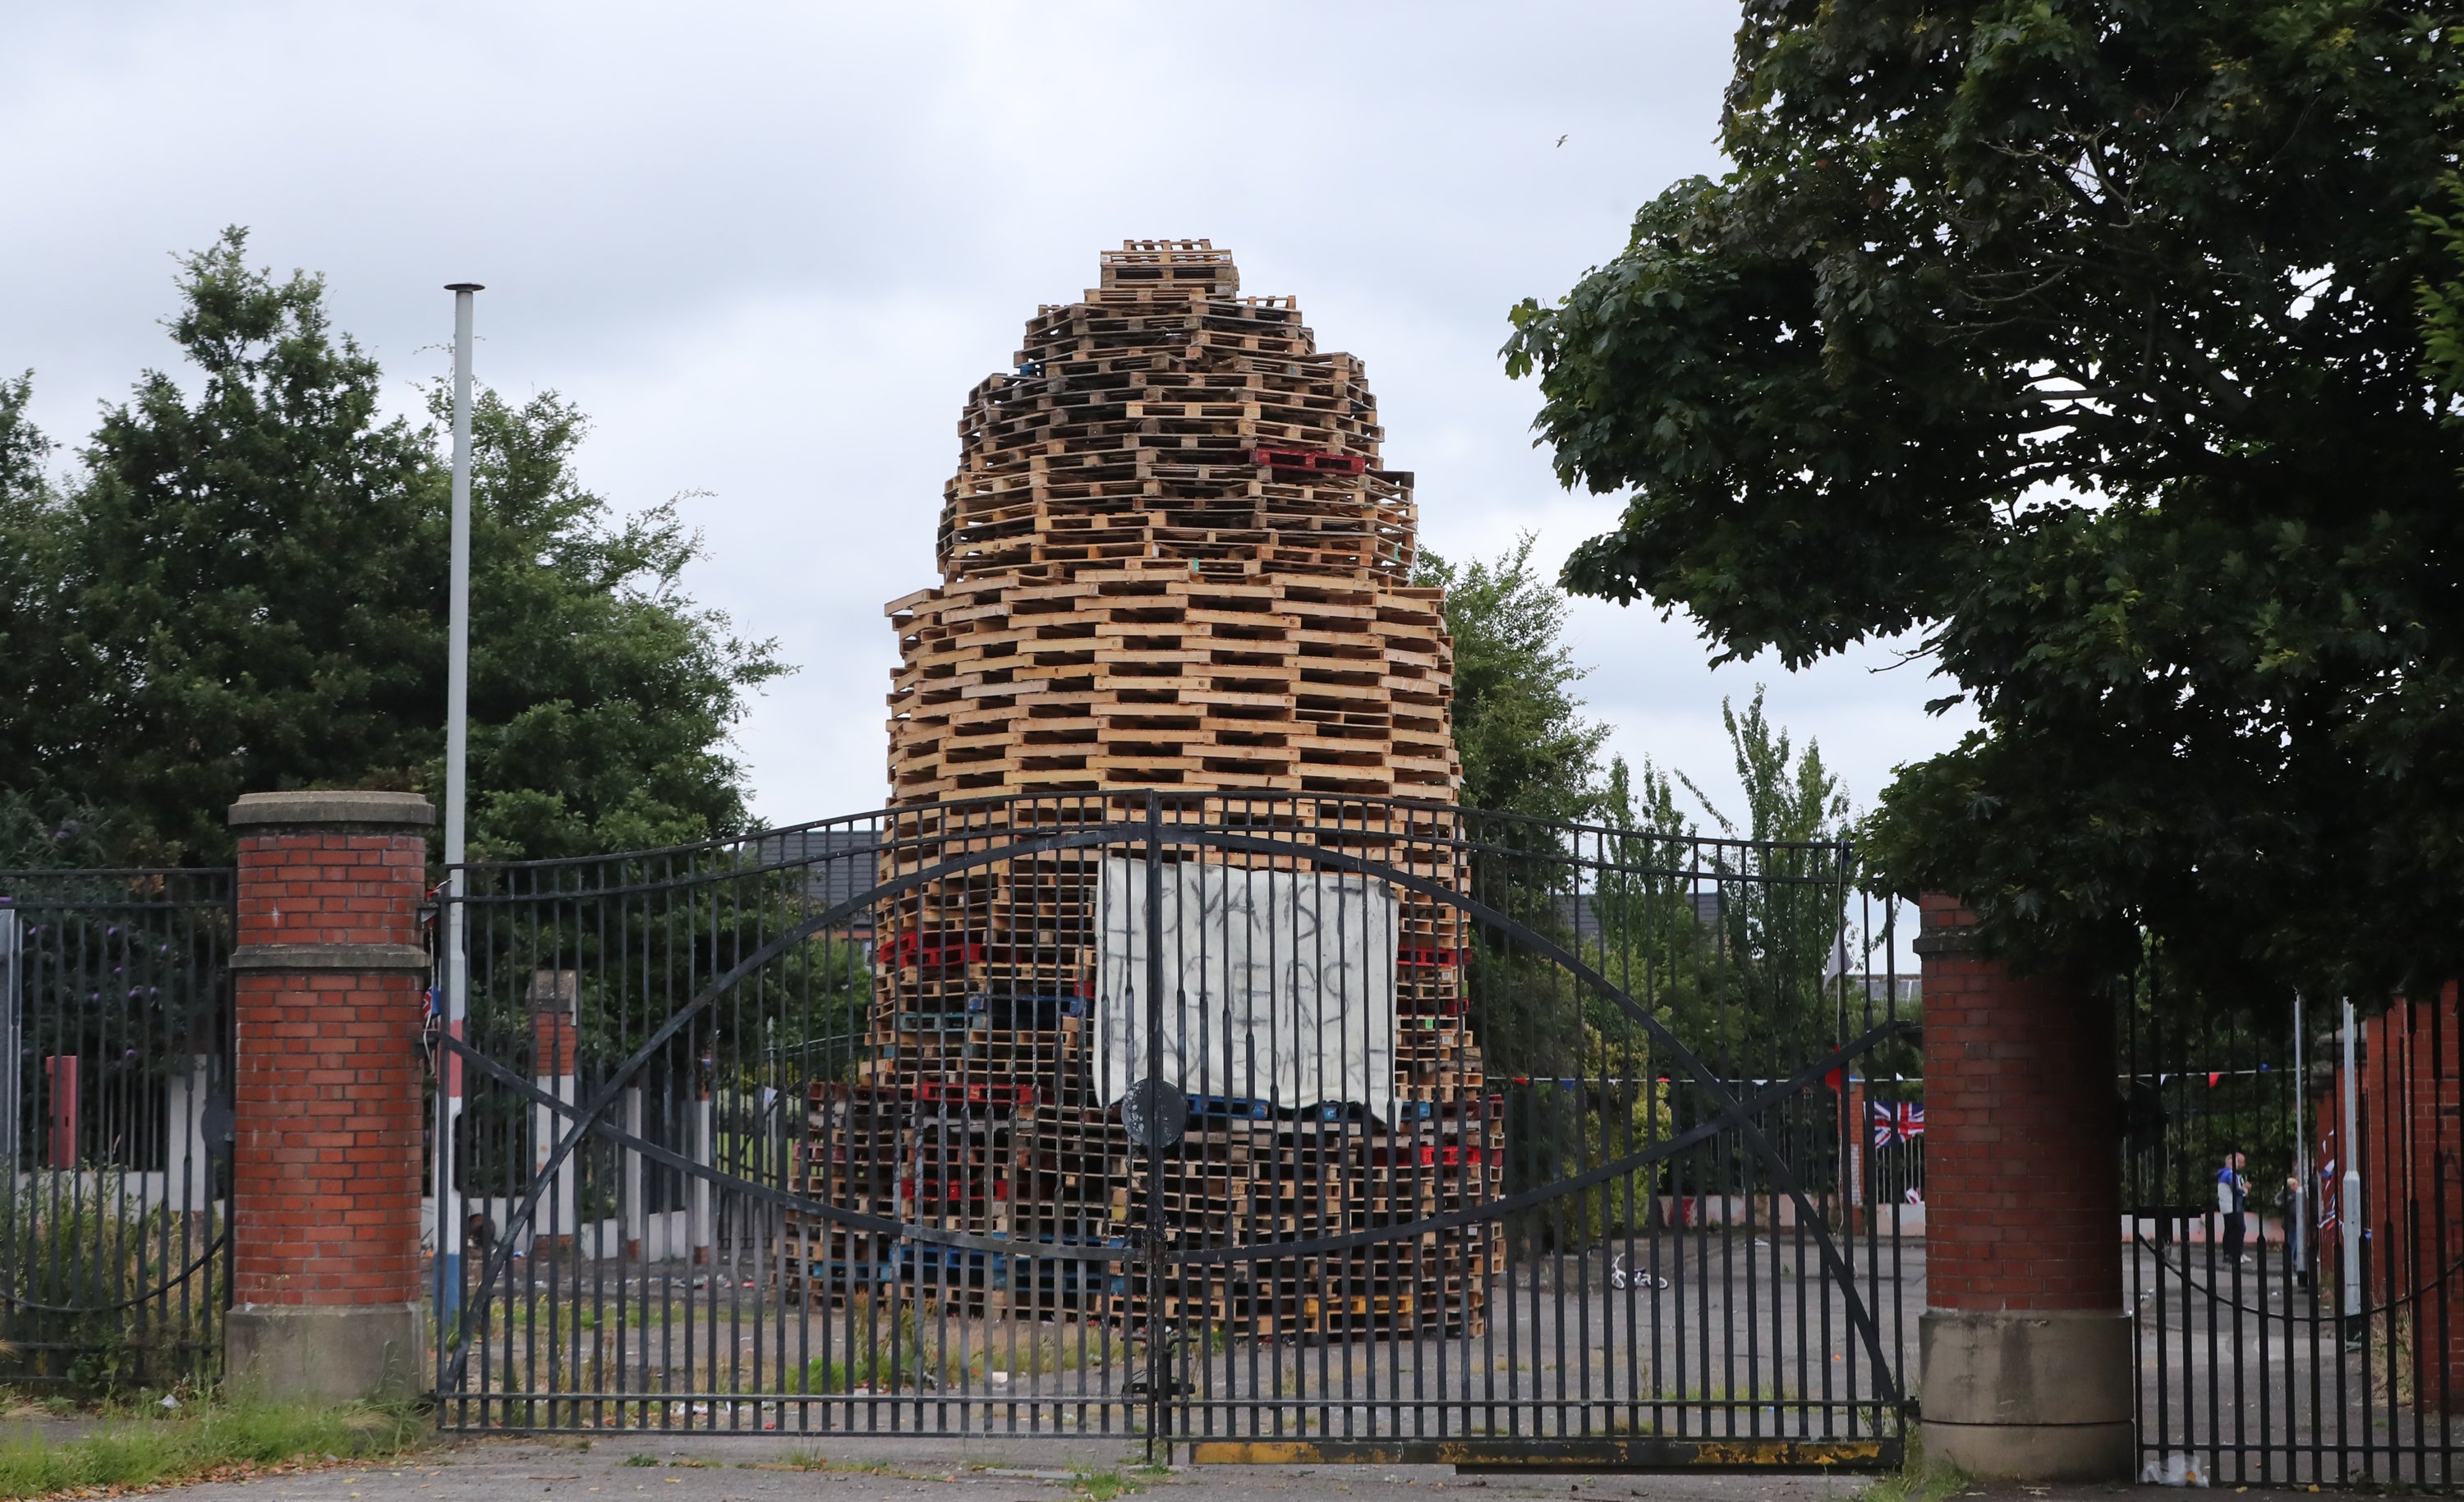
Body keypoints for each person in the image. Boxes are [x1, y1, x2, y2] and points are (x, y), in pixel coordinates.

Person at [2216, 1151, 2250, 1266]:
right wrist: (2244, 1191)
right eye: (2236, 1162)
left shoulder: (2225, 1174)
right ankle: (2234, 1255)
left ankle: (2230, 1254)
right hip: (2232, 1206)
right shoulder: (2230, 1174)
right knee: (2236, 1231)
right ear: (2231, 1163)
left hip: (2227, 1206)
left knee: (2230, 1231)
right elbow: (2235, 1190)